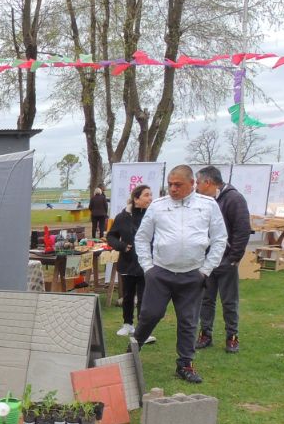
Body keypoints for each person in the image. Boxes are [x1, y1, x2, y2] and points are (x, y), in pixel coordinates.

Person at [132, 165, 227, 384]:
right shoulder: (158, 206)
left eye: (178, 185)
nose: (173, 189)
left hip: (192, 274)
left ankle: (185, 364)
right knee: (150, 315)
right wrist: (148, 267)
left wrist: (206, 270)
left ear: (192, 184)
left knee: (188, 321)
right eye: (170, 184)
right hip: (160, 272)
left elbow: (220, 238)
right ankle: (132, 351)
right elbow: (142, 238)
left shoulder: (208, 205)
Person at [195, 166, 251, 354]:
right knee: (206, 300)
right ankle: (205, 334)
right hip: (206, 260)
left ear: (208, 182)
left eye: (198, 182)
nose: (196, 186)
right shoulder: (202, 200)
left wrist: (234, 257)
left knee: (229, 301)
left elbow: (242, 229)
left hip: (226, 259)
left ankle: (232, 337)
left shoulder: (234, 199)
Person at [106, 185, 155, 342]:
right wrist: (121, 246)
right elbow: (111, 236)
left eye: (151, 195)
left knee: (144, 297)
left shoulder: (152, 215)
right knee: (127, 296)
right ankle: (127, 324)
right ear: (136, 199)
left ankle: (142, 330)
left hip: (146, 264)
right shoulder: (122, 217)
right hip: (127, 263)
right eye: (146, 195)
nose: (150, 198)